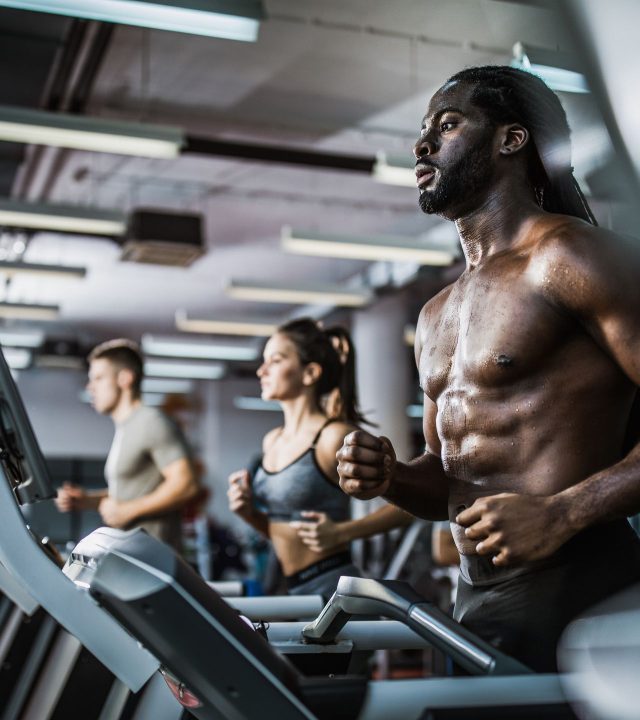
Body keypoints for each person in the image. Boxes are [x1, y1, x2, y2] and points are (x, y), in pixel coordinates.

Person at [336, 65, 640, 672]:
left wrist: (565, 511)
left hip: (582, 592)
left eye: (447, 126)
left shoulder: (568, 257)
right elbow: (451, 482)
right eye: (422, 131)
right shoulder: (434, 314)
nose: (422, 145)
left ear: (511, 140)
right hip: (473, 600)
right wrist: (390, 477)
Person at [228, 318, 410, 597]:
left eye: (275, 360)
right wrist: (249, 513)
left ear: (310, 373)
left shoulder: (333, 438)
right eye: (263, 361)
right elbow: (284, 531)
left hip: (332, 586)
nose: (262, 370)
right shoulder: (272, 440)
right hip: (289, 587)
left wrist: (342, 532)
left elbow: (409, 504)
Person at [55, 339, 199, 551]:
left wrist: (127, 511)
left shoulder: (151, 422)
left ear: (125, 378)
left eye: (99, 378)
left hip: (154, 559)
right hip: (132, 556)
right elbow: (129, 493)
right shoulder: (127, 427)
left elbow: (186, 485)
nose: (90, 387)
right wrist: (87, 500)